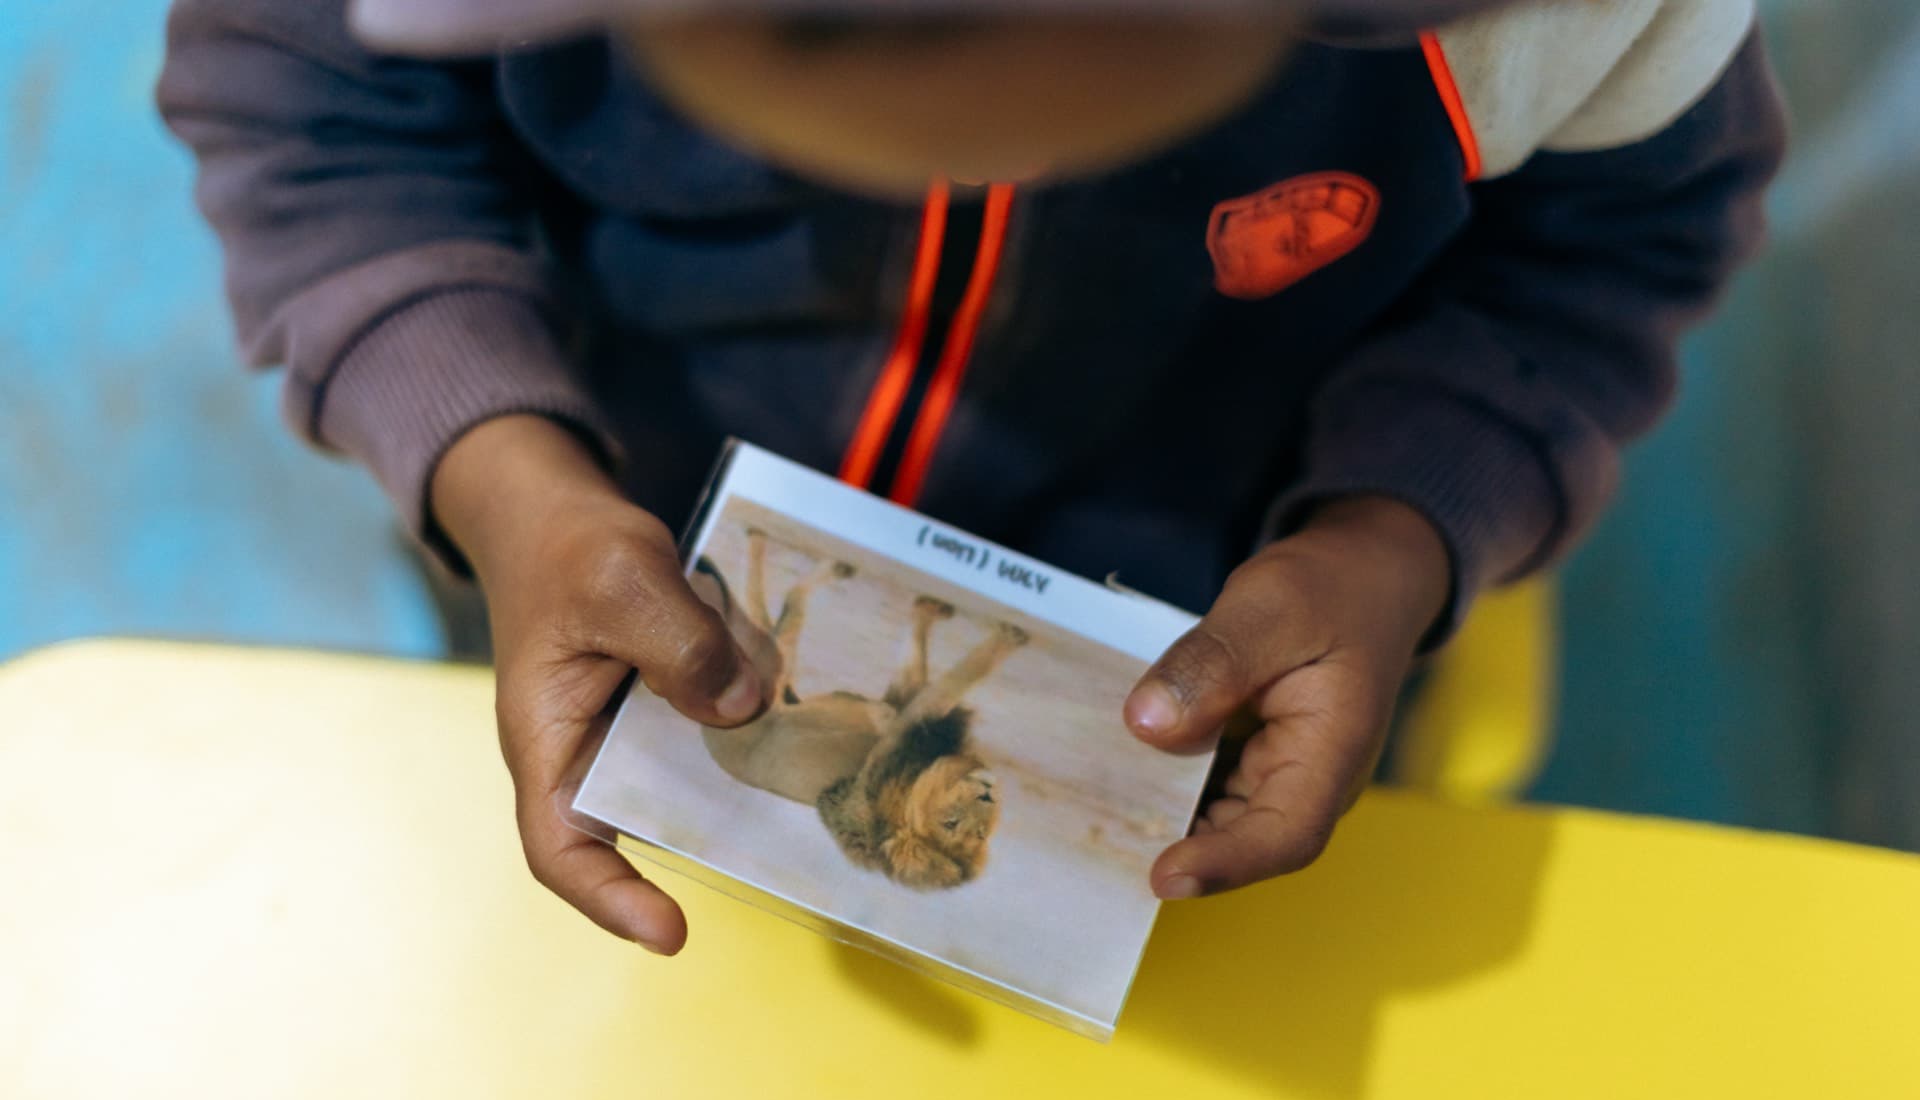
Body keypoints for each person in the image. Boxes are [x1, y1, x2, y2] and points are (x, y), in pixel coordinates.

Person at [158, 0, 1785, 955]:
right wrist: (501, 478)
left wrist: (1403, 524)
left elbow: (1598, 258)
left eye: (1119, 129)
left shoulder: (1564, 27)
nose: (986, 170)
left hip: (1233, 609)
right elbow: (323, 139)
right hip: (603, 536)